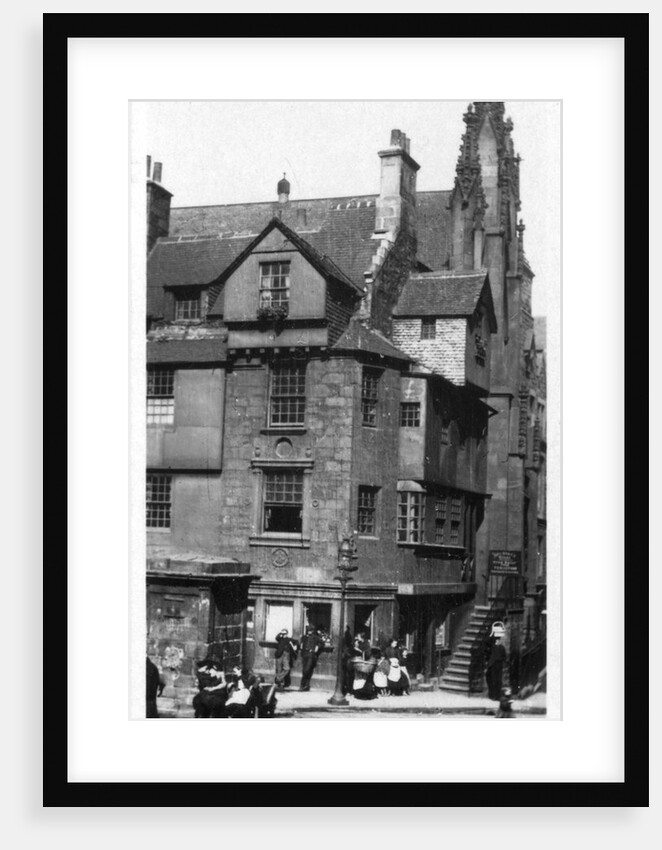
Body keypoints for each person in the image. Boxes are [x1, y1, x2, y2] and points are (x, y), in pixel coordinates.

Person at [298, 625, 324, 691]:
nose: (309, 632)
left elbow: (322, 643)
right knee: (305, 670)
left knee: (307, 670)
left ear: (312, 631)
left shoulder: (315, 637)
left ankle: (302, 685)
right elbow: (301, 644)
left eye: (310, 630)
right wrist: (301, 646)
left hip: (311, 655)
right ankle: (306, 686)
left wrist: (317, 647)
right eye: (308, 630)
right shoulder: (304, 637)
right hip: (304, 654)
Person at [485, 635, 507, 701]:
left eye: (498, 641)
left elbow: (504, 657)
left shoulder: (501, 648)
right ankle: (494, 695)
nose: (497, 642)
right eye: (497, 641)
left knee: (497, 681)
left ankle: (496, 696)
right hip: (494, 665)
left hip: (497, 665)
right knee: (494, 680)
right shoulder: (494, 647)